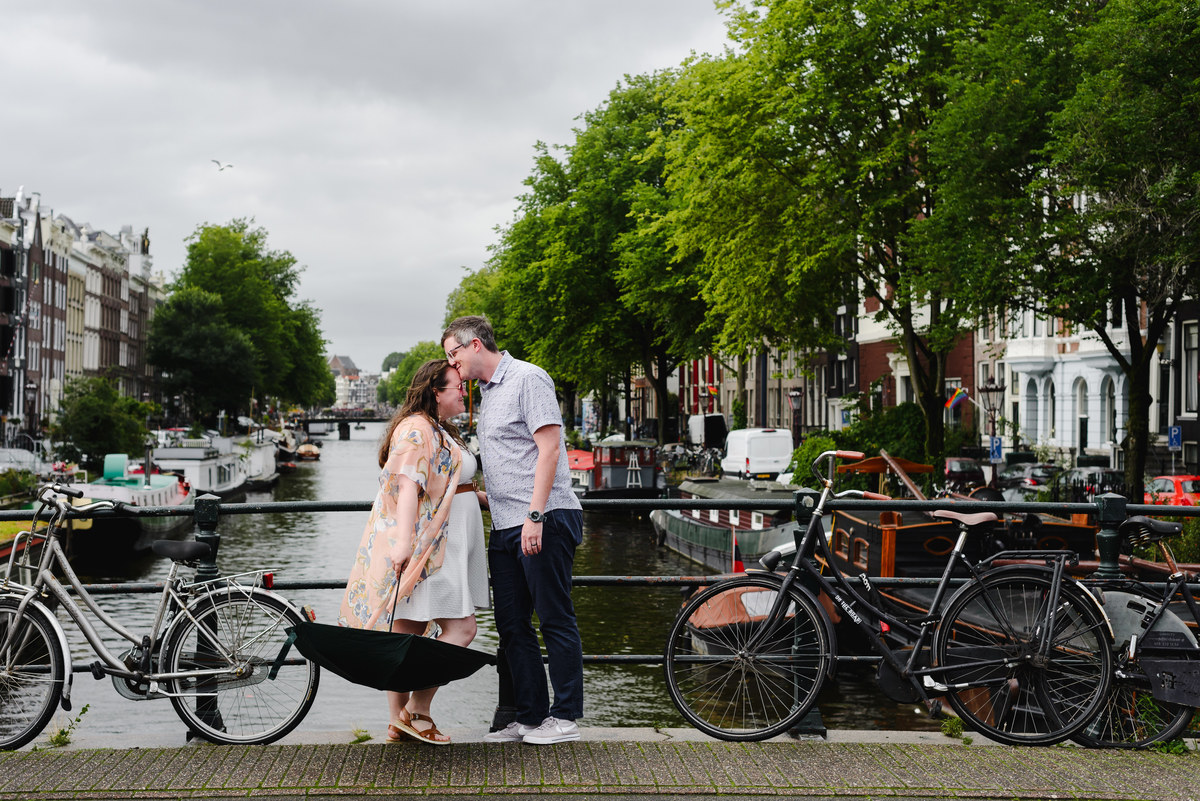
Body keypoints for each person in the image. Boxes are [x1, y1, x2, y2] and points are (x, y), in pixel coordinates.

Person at [442, 315, 584, 745]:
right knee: (511, 623)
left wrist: (536, 515)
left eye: (453, 353)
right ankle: (530, 716)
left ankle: (565, 717)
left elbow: (549, 449)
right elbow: (510, 461)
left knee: (555, 617)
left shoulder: (528, 378)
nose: (452, 363)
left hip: (544, 518)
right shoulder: (487, 393)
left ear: (475, 346)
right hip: (505, 524)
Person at [338, 359, 490, 745]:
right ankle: (416, 712)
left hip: (448, 541)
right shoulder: (416, 429)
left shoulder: (437, 428)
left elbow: (447, 481)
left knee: (408, 632)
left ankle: (396, 723)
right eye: (457, 386)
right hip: (433, 548)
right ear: (436, 392)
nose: (463, 392)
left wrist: (478, 497)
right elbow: (407, 487)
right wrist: (403, 543)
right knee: (462, 628)